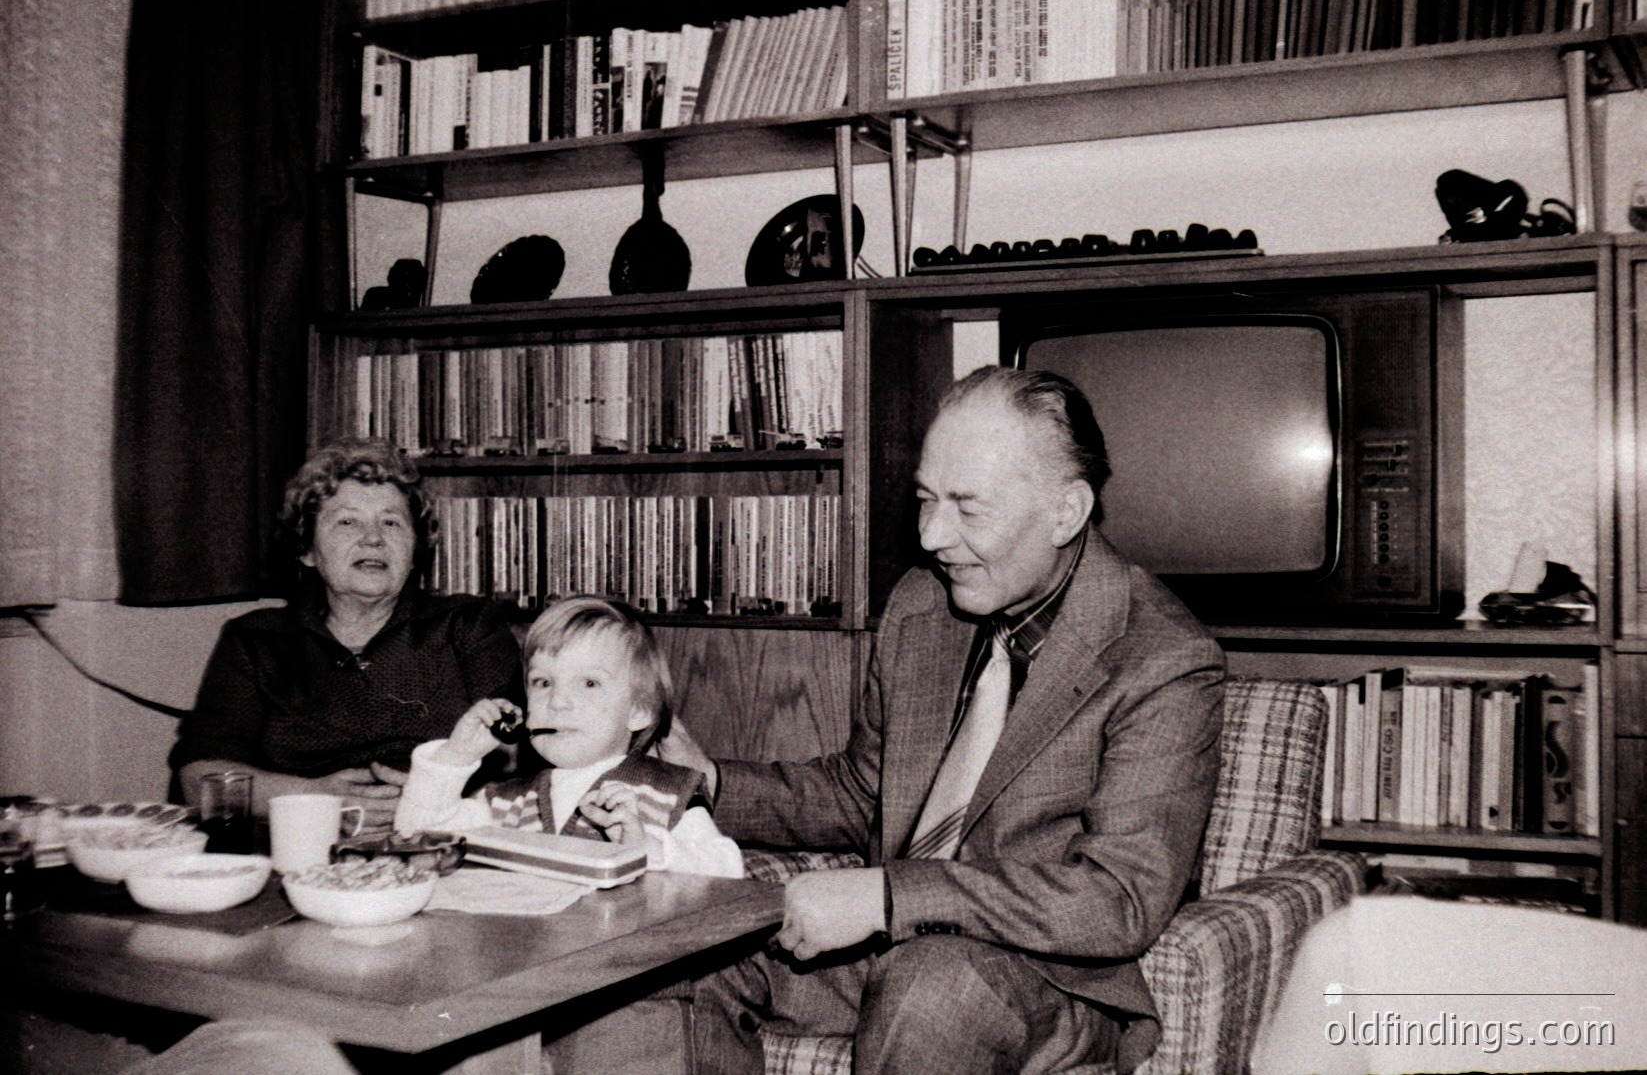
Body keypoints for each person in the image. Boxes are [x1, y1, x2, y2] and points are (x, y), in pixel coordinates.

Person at [673, 366, 1226, 1074]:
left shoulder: (1160, 657)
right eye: (926, 500)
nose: (933, 536)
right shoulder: (919, 606)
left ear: (1066, 512)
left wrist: (887, 895)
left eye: (968, 507)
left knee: (931, 985)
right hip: (889, 946)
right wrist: (711, 782)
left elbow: (1116, 899)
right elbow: (862, 791)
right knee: (667, 956)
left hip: (1049, 980)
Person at [170, 438, 524, 830]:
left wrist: (435, 797)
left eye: (391, 522)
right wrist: (314, 800)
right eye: (347, 521)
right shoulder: (255, 641)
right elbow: (198, 780)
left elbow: (521, 758)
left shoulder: (469, 625)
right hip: (301, 848)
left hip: (446, 841)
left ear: (414, 552)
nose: (373, 538)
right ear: (307, 549)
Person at [395, 594, 743, 879]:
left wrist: (647, 848)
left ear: (639, 710)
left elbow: (728, 869)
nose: (556, 701)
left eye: (589, 683)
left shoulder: (669, 792)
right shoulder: (508, 803)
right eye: (543, 682)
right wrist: (455, 757)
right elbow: (416, 836)